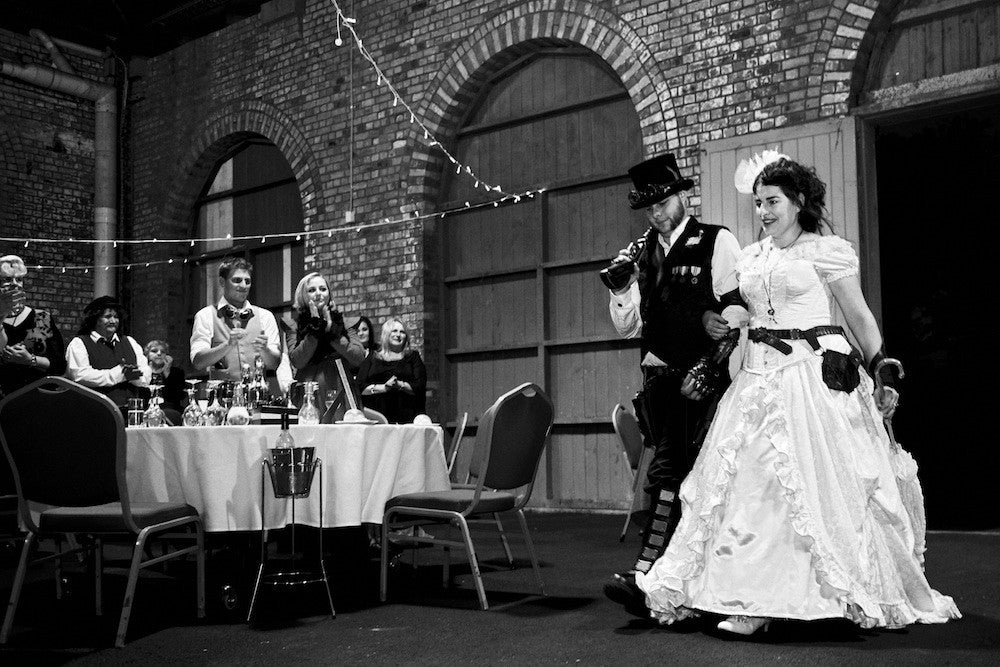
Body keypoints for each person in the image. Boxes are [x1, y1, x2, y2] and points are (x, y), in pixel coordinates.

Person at [635, 154, 960, 635]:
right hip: (756, 380)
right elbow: (738, 312)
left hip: (807, 380)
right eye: (759, 203)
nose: (764, 212)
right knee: (747, 492)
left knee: (803, 490)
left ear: (798, 201)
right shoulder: (752, 256)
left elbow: (860, 316)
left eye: (773, 202)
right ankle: (747, 599)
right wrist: (726, 325)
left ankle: (800, 598)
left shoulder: (824, 251)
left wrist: (882, 368)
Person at [602, 153, 742, 617]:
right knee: (676, 477)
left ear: (682, 195)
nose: (657, 212)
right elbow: (627, 328)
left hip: (701, 382)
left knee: (672, 473)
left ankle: (649, 572)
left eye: (663, 201)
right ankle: (680, 581)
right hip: (658, 383)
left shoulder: (716, 241)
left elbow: (738, 310)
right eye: (649, 206)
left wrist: (712, 367)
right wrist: (621, 288)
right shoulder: (640, 253)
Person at [189, 257, 281, 397]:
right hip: (221, 401)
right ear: (222, 282)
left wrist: (265, 350)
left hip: (257, 399)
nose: (243, 285)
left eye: (247, 281)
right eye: (237, 280)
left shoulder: (265, 316)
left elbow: (274, 364)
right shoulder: (206, 315)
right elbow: (198, 362)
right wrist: (227, 345)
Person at [287, 272, 365, 422]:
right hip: (309, 389)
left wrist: (332, 332)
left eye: (323, 289)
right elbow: (297, 361)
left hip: (340, 385)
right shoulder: (294, 325)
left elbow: (358, 357)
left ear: (329, 293)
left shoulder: (345, 322)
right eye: (311, 290)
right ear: (303, 295)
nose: (318, 294)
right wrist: (314, 332)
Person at [66, 296, 150, 410]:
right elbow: (79, 375)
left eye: (116, 317)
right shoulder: (80, 343)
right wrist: (117, 375)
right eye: (108, 317)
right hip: (95, 409)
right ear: (95, 319)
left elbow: (146, 373)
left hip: (131, 410)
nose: (113, 321)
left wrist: (134, 376)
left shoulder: (129, 341)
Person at [0, 255, 66, 398]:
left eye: (19, 279)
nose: (15, 284)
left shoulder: (41, 318)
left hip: (38, 399)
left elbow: (59, 365)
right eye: (6, 279)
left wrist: (30, 359)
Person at [356, 318, 427, 423]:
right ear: (386, 334)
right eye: (394, 331)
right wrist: (383, 388)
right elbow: (360, 386)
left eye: (402, 332)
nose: (398, 335)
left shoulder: (413, 357)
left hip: (407, 416)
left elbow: (420, 386)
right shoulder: (373, 357)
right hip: (376, 417)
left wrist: (399, 385)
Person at [144, 339, 186, 425]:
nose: (159, 353)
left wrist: (167, 373)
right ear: (147, 355)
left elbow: (179, 396)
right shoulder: (142, 372)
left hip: (170, 410)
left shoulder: (176, 372)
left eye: (163, 352)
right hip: (147, 410)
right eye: (154, 351)